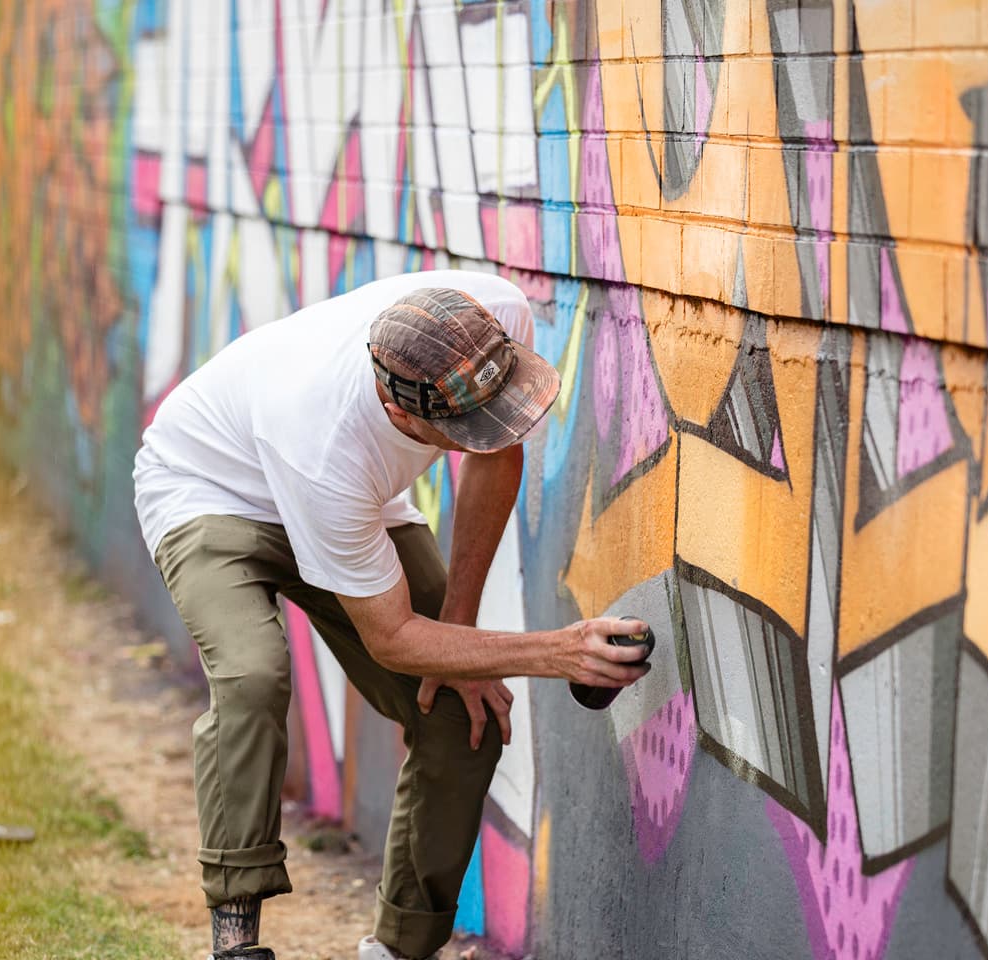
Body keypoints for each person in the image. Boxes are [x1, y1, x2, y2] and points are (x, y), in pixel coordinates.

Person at [132, 271, 651, 960]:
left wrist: (463, 634)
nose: (486, 429)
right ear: (402, 414)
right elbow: (394, 640)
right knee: (254, 675)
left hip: (347, 502)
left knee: (462, 711)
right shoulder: (325, 447)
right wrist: (558, 653)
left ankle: (400, 948)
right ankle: (235, 938)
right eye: (461, 427)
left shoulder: (490, 319)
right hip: (209, 486)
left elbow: (498, 454)